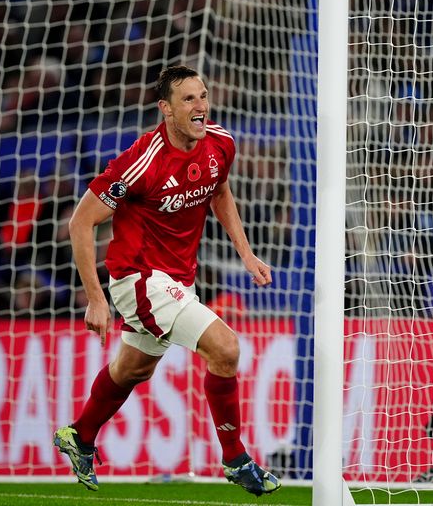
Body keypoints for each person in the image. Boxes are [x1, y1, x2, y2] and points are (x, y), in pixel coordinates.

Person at [53, 65, 280, 496]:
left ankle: (79, 436)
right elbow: (81, 223)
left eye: (203, 96)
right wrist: (96, 299)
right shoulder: (141, 161)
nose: (201, 107)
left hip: (177, 279)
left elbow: (219, 190)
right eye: (189, 100)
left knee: (132, 369)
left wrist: (246, 253)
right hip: (137, 278)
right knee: (226, 348)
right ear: (166, 109)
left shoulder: (220, 144)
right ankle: (235, 459)